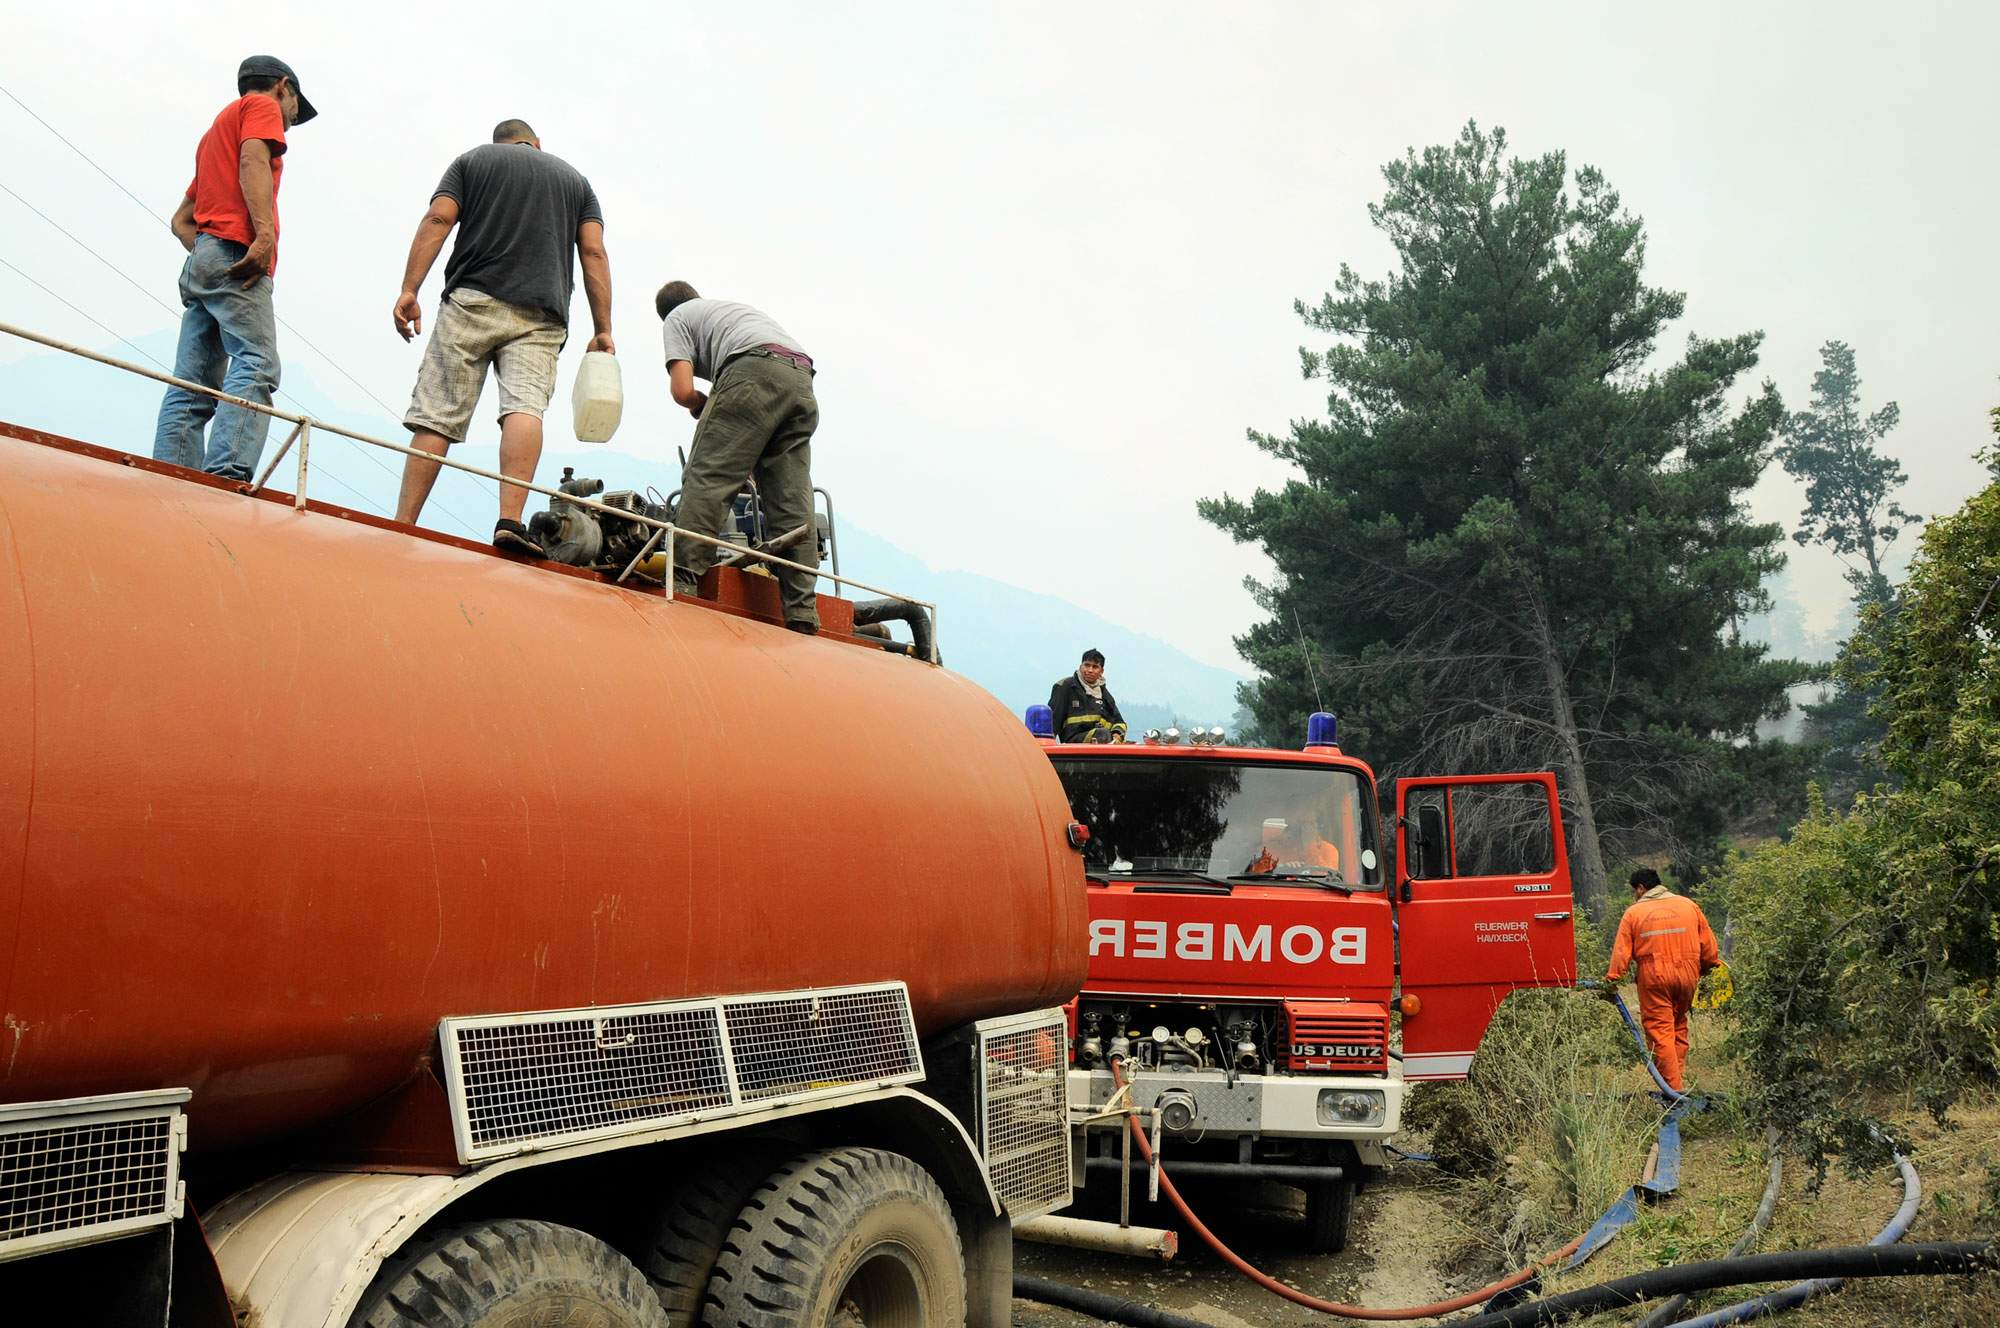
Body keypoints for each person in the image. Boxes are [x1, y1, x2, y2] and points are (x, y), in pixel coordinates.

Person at [392, 119, 614, 553]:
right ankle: (509, 519)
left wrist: (409, 289)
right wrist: (603, 329)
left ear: (501, 143)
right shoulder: (576, 182)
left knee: (438, 412)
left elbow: (438, 218)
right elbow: (593, 251)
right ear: (536, 144)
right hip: (542, 315)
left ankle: (404, 523)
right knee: (524, 408)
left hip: (473, 299)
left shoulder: (473, 160)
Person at [153, 55, 317, 482]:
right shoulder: (260, 107)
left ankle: (170, 472)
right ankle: (227, 473)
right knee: (258, 361)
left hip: (203, 258)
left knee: (194, 380)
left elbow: (181, 220)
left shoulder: (213, 134)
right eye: (295, 109)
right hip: (234, 254)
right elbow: (252, 160)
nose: (291, 120)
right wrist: (261, 235)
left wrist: (207, 251)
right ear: (283, 87)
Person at [656, 281, 821, 633]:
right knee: (792, 500)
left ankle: (682, 582)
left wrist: (700, 405)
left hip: (753, 368)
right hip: (801, 376)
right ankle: (803, 612)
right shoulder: (725, 314)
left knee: (709, 476)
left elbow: (682, 390)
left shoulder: (676, 319)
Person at [1602, 867, 1721, 1092]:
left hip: (1654, 976)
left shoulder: (1634, 913)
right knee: (1678, 1025)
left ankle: (1673, 1095)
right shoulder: (1688, 905)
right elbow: (1709, 948)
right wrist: (1710, 969)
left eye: (1634, 891)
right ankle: (1678, 1085)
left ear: (1640, 888)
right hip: (1688, 975)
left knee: (1660, 1032)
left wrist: (1612, 982)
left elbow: (1621, 953)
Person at [1047, 650, 1127, 743]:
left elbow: (1120, 722)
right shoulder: (1066, 687)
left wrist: (1117, 734)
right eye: (1087, 665)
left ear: (1101, 671)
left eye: (1095, 667)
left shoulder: (1104, 694)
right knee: (1102, 734)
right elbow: (1052, 722)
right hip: (1073, 743)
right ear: (1080, 667)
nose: (1090, 670)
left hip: (1102, 743)